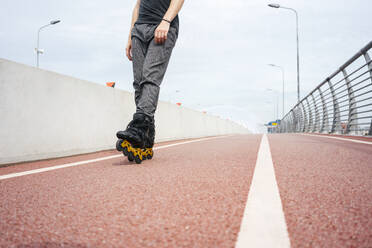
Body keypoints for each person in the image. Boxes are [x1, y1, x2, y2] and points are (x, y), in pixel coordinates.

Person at [116, 0, 185, 164]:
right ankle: (147, 137)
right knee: (139, 82)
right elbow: (138, 5)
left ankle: (139, 126)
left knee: (150, 78)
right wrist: (130, 36)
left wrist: (166, 21)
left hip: (162, 26)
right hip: (139, 30)